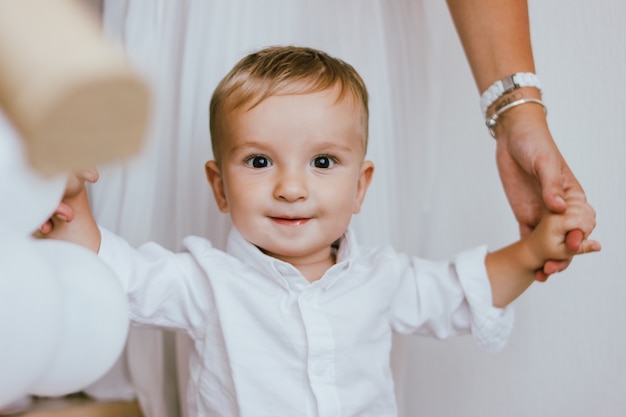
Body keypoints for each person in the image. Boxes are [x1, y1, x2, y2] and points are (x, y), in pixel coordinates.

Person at [43, 46, 600, 417]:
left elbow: (461, 290)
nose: (291, 188)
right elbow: (118, 274)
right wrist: (71, 199)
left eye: (323, 163)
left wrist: (532, 250)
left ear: (361, 187)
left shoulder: (383, 277)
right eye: (259, 162)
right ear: (219, 186)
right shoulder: (205, 280)